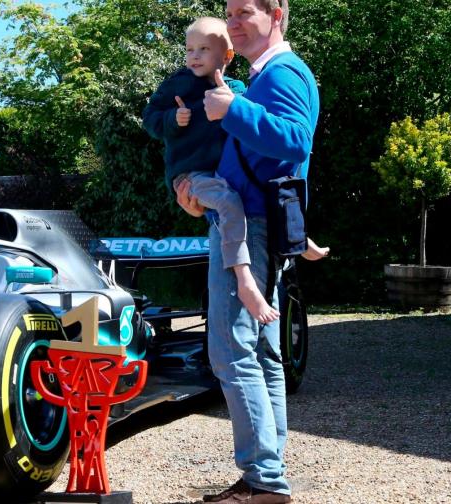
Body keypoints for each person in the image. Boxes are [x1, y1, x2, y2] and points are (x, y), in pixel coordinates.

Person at [175, 1, 320, 503]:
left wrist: (233, 109)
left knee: (233, 352)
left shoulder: (283, 73)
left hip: (251, 226)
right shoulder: (265, 75)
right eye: (229, 13)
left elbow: (295, 142)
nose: (232, 21)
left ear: (276, 14)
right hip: (258, 221)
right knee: (261, 351)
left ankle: (264, 481)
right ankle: (266, 475)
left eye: (244, 11)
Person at [144, 17, 327, 325]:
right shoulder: (178, 83)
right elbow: (150, 117)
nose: (194, 57)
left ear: (226, 56)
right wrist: (174, 118)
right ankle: (245, 280)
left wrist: (233, 107)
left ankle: (294, 236)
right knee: (229, 203)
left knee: (229, 202)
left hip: (220, 180)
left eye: (204, 49)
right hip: (193, 175)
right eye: (189, 50)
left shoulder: (240, 88)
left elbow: (279, 141)